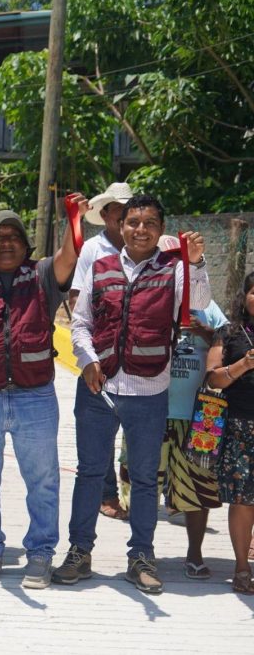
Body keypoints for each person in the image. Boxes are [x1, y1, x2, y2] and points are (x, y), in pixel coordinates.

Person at [58, 195, 209, 595]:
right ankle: (79, 551)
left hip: (149, 390)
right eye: (133, 222)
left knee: (144, 479)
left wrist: (195, 263)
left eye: (150, 223)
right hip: (97, 387)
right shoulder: (100, 265)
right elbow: (80, 321)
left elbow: (201, 304)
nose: (141, 229)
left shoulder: (174, 269)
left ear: (161, 231)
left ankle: (141, 555)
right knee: (90, 473)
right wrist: (88, 361)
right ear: (119, 226)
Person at [0, 202, 84, 589]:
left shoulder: (41, 275)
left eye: (13, 238)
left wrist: (74, 217)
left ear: (25, 246)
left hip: (34, 395)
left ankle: (40, 555)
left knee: (43, 480)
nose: (6, 244)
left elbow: (68, 255)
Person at [149, 236, 228, 581]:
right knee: (144, 484)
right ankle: (143, 551)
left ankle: (194, 553)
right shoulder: (150, 295)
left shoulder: (205, 303)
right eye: (167, 259)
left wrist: (204, 331)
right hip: (153, 409)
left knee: (199, 485)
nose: (174, 265)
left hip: (200, 415)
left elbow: (228, 341)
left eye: (180, 259)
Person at [70, 182, 134, 520]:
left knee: (137, 431)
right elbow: (76, 298)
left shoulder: (150, 250)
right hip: (100, 353)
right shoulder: (92, 249)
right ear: (106, 214)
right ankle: (105, 493)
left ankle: (132, 494)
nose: (123, 217)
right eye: (117, 210)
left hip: (139, 357)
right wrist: (88, 351)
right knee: (99, 430)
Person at [205, 271, 254, 595]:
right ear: (245, 297)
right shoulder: (229, 334)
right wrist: (244, 364)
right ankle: (241, 566)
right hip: (240, 427)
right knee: (244, 500)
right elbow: (213, 379)